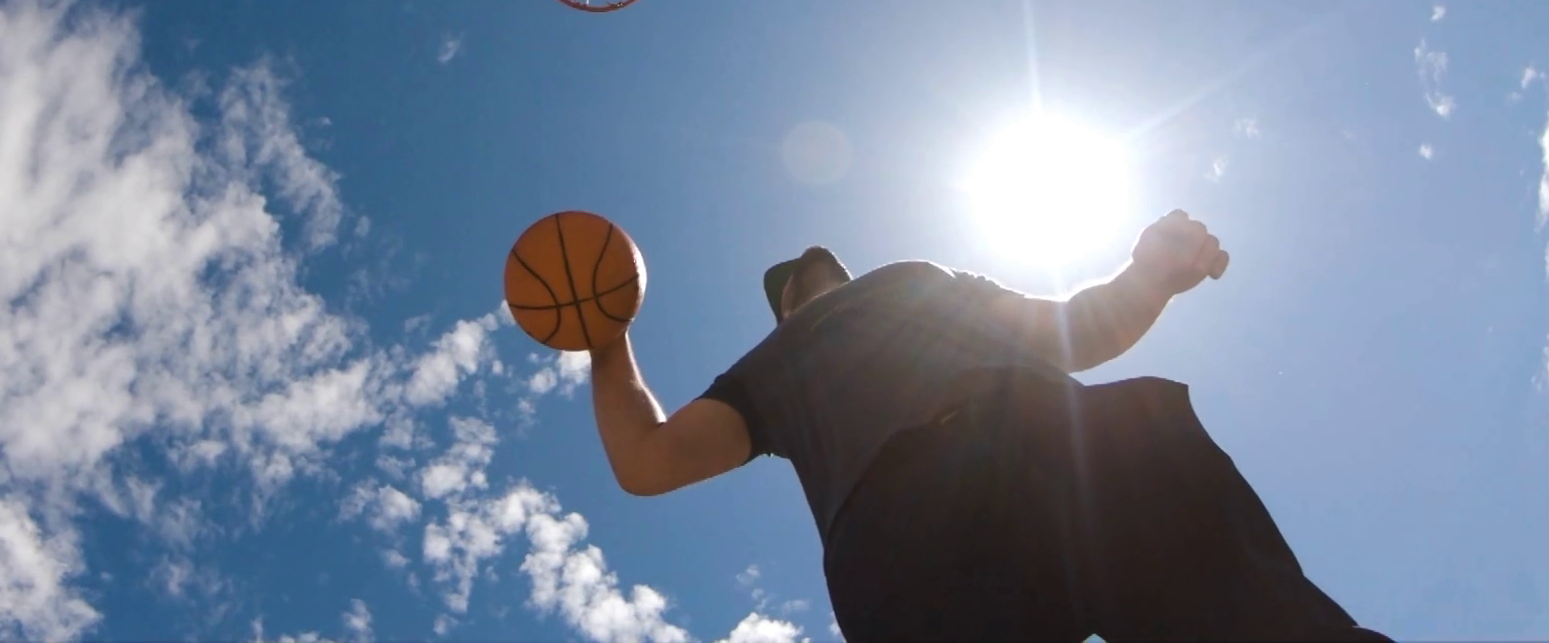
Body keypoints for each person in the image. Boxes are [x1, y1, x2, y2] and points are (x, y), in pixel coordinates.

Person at [587, 210, 1390, 642]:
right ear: (786, 309)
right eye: (795, 282)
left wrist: (1148, 277)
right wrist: (606, 337)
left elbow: (1074, 329)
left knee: (1243, 604)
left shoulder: (920, 279)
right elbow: (648, 460)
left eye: (815, 268)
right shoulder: (772, 363)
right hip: (901, 529)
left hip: (1044, 441)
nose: (809, 274)